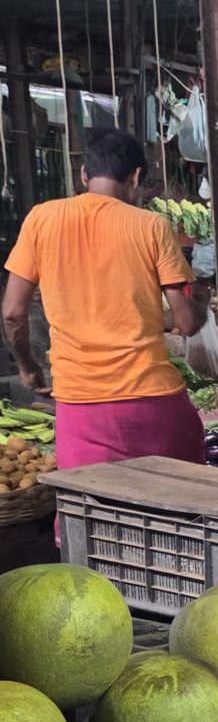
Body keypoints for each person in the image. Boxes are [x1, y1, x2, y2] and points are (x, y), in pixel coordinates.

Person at [2, 129, 207, 469]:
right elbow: (186, 322)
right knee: (179, 509)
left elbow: (12, 313)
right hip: (152, 400)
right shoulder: (153, 226)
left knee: (89, 510)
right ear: (136, 177)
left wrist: (28, 367)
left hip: (81, 406)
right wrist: (200, 306)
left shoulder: (41, 219)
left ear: (84, 174)